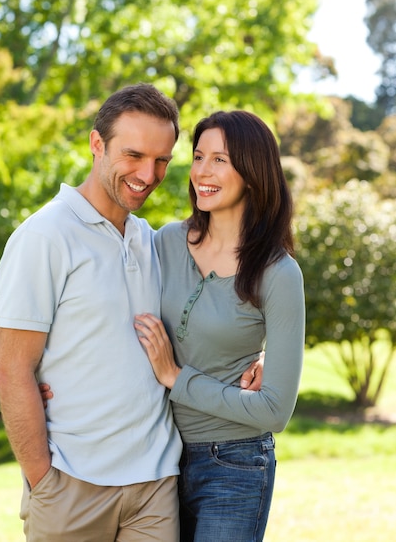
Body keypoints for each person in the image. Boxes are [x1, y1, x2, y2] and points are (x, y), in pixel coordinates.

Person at [0, 84, 263, 542]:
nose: (148, 173)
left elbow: (208, 310)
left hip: (155, 486)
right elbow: (12, 367)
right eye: (134, 154)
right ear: (97, 145)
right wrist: (43, 481)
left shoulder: (152, 241)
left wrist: (255, 356)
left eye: (162, 160)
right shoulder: (45, 237)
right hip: (71, 486)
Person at [133, 110, 306, 542]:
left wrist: (176, 376)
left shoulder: (278, 273)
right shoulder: (164, 242)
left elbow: (274, 410)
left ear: (252, 173)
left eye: (219, 160)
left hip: (236, 466)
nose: (201, 172)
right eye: (197, 156)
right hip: (157, 459)